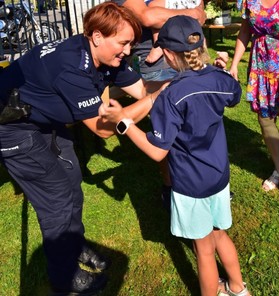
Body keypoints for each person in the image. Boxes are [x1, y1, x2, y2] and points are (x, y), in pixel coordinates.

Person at [0, 2, 166, 295]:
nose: (128, 52)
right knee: (56, 197)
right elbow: (103, 129)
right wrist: (153, 102)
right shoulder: (72, 68)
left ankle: (72, 244)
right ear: (97, 36)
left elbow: (141, 91)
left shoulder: (108, 57)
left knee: (72, 181)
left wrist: (174, 93)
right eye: (123, 43)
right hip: (12, 126)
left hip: (45, 121)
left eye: (130, 44)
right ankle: (65, 280)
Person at [99, 15, 251, 296]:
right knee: (220, 235)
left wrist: (125, 123)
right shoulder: (218, 79)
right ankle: (239, 288)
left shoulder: (171, 96)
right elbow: (235, 94)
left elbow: (158, 151)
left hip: (191, 186)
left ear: (167, 54)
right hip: (219, 177)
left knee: (204, 250)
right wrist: (220, 68)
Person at [230, 0, 279, 195]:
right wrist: (235, 63)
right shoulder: (248, 1)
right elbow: (244, 31)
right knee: (264, 117)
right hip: (261, 63)